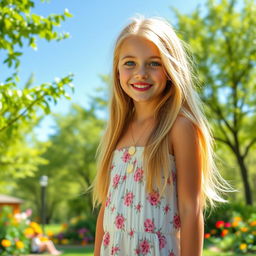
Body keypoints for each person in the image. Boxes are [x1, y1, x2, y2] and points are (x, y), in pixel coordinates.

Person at [92, 15, 233, 256]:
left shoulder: (179, 127)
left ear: (170, 69)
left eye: (154, 63)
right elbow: (107, 209)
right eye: (130, 63)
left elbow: (191, 210)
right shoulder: (117, 131)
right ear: (117, 70)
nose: (141, 73)